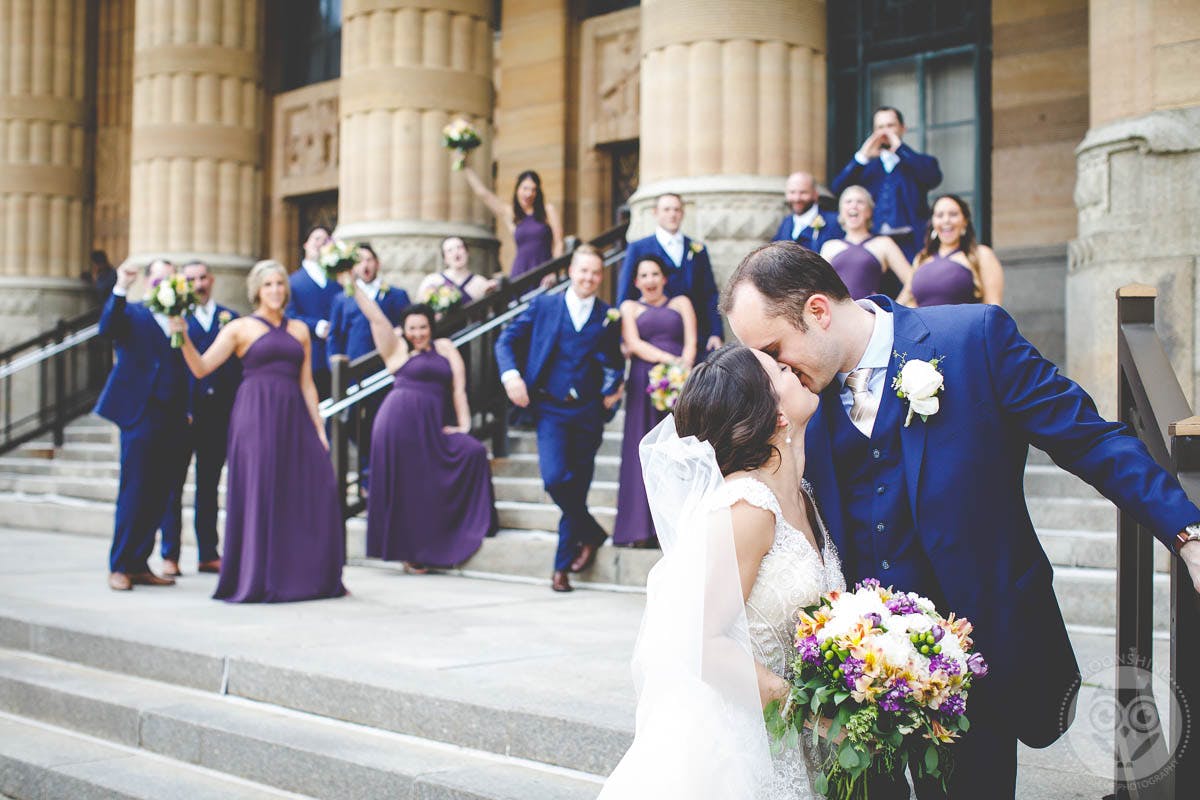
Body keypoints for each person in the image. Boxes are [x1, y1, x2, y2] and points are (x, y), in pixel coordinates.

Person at [722, 241, 1200, 798]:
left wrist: (1185, 531)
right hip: (849, 679)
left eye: (776, 351)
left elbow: (1089, 438)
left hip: (976, 660)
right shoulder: (797, 400)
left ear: (819, 311)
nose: (773, 372)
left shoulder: (973, 340)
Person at [599, 345, 844, 799]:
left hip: (801, 739)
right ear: (774, 415)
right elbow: (700, 642)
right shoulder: (747, 507)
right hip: (743, 746)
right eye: (783, 371)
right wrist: (809, 713)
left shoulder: (803, 495)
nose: (798, 369)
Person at [171, 260, 347, 603]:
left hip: (295, 415)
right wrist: (182, 336)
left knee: (318, 485)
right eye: (268, 285)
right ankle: (259, 576)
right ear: (257, 290)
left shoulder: (299, 330)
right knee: (262, 490)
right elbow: (202, 367)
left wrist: (319, 427)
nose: (276, 290)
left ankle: (312, 573)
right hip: (256, 416)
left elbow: (308, 383)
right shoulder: (240, 328)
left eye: (280, 283)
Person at [495, 245, 625, 592]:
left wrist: (614, 389)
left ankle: (561, 568)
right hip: (550, 407)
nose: (589, 278)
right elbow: (505, 340)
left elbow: (614, 362)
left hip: (588, 412)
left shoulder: (608, 315)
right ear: (571, 270)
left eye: (596, 273)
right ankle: (593, 533)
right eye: (584, 271)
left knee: (578, 486)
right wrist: (512, 377)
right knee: (554, 479)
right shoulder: (545, 305)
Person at [348, 291, 496, 573]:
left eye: (423, 327)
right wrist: (351, 283)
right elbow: (375, 317)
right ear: (403, 329)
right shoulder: (396, 350)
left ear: (432, 325)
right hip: (396, 424)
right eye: (411, 328)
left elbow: (458, 389)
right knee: (407, 486)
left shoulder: (445, 348)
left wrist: (465, 425)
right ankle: (409, 551)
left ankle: (469, 526)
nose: (417, 333)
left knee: (473, 451)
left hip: (431, 426)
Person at [94, 259, 188, 591]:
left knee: (160, 493)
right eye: (159, 278)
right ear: (149, 282)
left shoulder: (180, 320)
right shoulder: (132, 313)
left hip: (174, 416)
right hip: (140, 414)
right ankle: (119, 564)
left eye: (170, 279)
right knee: (135, 490)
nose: (164, 284)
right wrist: (120, 286)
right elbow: (107, 329)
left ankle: (139, 562)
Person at [159, 261, 240, 577]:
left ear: (212, 279)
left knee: (208, 487)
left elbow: (236, 370)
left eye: (203, 277)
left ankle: (209, 552)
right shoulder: (176, 320)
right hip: (183, 417)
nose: (199, 283)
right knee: (173, 489)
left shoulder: (230, 318)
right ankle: (170, 554)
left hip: (218, 417)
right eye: (191, 279)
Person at [612, 255, 696, 548]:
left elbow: (691, 343)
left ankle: (678, 528)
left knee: (677, 450)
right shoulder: (629, 307)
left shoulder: (681, 303)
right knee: (642, 449)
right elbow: (633, 344)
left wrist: (682, 372)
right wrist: (667, 362)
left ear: (664, 278)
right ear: (636, 281)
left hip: (679, 382)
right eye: (644, 275)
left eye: (655, 274)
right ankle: (639, 528)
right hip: (643, 382)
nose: (650, 280)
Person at [617, 193, 723, 358]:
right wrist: (623, 339)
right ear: (655, 213)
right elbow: (626, 292)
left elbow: (709, 293)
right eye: (666, 209)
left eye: (677, 210)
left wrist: (716, 332)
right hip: (653, 336)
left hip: (696, 337)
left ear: (682, 213)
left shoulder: (697, 249)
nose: (672, 214)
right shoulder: (638, 248)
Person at [831, 106, 942, 261]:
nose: (885, 132)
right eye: (880, 127)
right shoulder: (866, 167)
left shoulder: (919, 162)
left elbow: (933, 178)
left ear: (903, 129)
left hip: (911, 243)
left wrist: (901, 150)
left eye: (890, 126)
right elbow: (838, 188)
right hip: (873, 243)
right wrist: (862, 157)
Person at [899, 194, 1003, 307]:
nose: (946, 220)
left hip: (962, 324)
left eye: (953, 214)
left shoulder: (981, 254)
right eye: (939, 215)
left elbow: (993, 306)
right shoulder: (921, 258)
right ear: (933, 222)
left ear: (965, 221)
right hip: (921, 324)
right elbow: (906, 301)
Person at [461, 167, 563, 278]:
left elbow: (559, 243)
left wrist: (553, 271)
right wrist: (466, 167)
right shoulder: (511, 213)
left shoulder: (548, 210)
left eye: (534, 190)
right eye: (525, 188)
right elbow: (483, 193)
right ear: (517, 189)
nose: (529, 194)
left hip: (545, 273)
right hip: (521, 272)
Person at [819, 185, 913, 300]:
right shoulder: (829, 246)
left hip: (869, 314)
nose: (854, 205)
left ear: (869, 212)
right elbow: (818, 288)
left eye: (860, 202)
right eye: (848, 201)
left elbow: (912, 281)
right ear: (841, 212)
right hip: (835, 316)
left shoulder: (884, 243)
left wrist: (896, 311)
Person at [328, 244, 411, 362]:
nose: (365, 265)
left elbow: (407, 325)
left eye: (369, 260)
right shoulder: (342, 299)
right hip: (355, 366)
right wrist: (335, 366)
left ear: (377, 263)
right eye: (359, 261)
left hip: (387, 364)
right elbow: (335, 336)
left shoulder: (397, 295)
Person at [286, 226, 341, 399]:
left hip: (336, 357)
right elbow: (290, 316)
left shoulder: (337, 281)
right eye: (316, 239)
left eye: (325, 241)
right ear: (306, 244)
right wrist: (317, 326)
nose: (320, 244)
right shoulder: (292, 282)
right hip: (308, 354)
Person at [416, 236, 498, 310]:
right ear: (445, 258)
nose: (456, 253)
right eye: (449, 250)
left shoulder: (480, 282)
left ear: (467, 252)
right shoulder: (432, 280)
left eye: (459, 248)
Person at [771, 171, 843, 252]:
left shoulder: (834, 222)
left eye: (803, 192)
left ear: (815, 195)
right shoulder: (786, 222)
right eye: (792, 192)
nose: (797, 198)